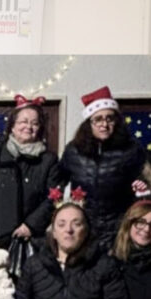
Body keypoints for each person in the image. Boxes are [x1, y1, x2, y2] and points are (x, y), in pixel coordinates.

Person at [58, 86, 145, 250]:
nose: (104, 124)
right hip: (83, 226)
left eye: (109, 118)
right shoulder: (73, 150)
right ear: (89, 123)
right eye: (98, 119)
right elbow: (57, 184)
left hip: (120, 227)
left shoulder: (132, 149)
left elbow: (144, 187)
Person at [0, 95, 60, 250]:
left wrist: (31, 225)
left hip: (32, 240)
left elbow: (53, 198)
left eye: (34, 123)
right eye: (23, 122)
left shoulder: (48, 161)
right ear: (12, 126)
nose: (28, 127)